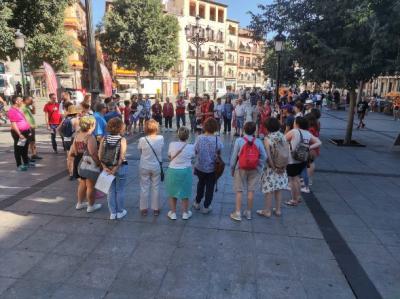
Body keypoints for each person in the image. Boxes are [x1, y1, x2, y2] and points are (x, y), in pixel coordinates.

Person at [230, 122, 267, 221]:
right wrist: (257, 163)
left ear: (244, 130)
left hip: (241, 168)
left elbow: (234, 156)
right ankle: (249, 212)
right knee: (251, 191)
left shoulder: (239, 140)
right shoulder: (258, 141)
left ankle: (238, 213)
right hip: (254, 169)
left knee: (239, 190)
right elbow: (264, 156)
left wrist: (232, 168)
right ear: (254, 130)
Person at [285, 117, 322, 206]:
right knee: (297, 178)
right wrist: (308, 147)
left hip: (292, 159)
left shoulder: (294, 131)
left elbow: (283, 140)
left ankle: (294, 200)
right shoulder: (308, 133)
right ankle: (298, 197)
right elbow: (319, 142)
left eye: (294, 122)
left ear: (297, 123)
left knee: (293, 179)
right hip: (303, 158)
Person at [69, 116, 102, 213]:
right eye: (94, 124)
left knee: (82, 183)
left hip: (78, 160)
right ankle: (91, 206)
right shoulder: (90, 137)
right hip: (88, 162)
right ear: (91, 125)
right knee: (91, 185)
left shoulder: (77, 135)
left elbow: (74, 151)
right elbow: (92, 153)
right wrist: (98, 163)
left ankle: (79, 203)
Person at [258, 118, 289, 217]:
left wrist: (273, 167)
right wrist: (283, 166)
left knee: (269, 190)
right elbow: (286, 152)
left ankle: (267, 211)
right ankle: (278, 210)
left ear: (267, 128)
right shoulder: (282, 135)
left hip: (271, 169)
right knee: (278, 189)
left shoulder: (268, 138)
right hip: (282, 167)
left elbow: (268, 156)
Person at [99, 117, 128, 220]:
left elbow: (100, 155)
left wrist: (104, 167)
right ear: (120, 128)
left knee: (111, 191)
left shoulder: (104, 138)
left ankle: (113, 213)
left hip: (107, 167)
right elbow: (122, 156)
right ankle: (120, 211)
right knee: (120, 190)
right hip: (120, 167)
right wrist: (115, 168)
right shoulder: (122, 139)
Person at [193, 118, 223, 214]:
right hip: (212, 168)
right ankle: (206, 206)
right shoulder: (217, 139)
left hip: (200, 166)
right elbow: (220, 150)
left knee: (200, 184)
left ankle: (197, 202)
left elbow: (195, 150)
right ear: (215, 128)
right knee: (210, 187)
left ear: (205, 127)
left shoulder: (199, 138)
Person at [166, 127, 195, 220]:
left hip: (173, 170)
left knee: (172, 192)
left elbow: (169, 156)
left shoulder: (172, 144)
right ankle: (185, 213)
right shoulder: (191, 146)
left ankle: (173, 213)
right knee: (185, 193)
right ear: (188, 136)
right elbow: (193, 157)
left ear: (178, 135)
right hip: (186, 171)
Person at [138, 119, 164, 216]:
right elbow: (161, 149)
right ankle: (155, 209)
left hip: (144, 165)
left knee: (144, 187)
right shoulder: (161, 138)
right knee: (156, 187)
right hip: (156, 165)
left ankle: (144, 208)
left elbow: (140, 152)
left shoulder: (142, 139)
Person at [7, 95, 32, 171]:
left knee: (25, 148)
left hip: (25, 131)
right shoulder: (12, 111)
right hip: (19, 132)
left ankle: (26, 162)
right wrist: (19, 134)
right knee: (18, 149)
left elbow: (24, 119)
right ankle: (19, 165)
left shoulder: (19, 109)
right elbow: (14, 124)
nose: (22, 102)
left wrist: (29, 129)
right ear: (16, 101)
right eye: (21, 100)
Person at [59, 104, 81, 180]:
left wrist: (64, 136)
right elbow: (78, 131)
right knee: (74, 157)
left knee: (69, 158)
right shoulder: (75, 120)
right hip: (73, 139)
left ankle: (70, 174)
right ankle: (75, 173)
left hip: (66, 140)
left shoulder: (65, 119)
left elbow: (58, 129)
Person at [22, 96, 42, 161]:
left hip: (32, 126)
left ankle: (34, 154)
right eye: (30, 100)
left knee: (33, 141)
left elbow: (33, 112)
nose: (32, 102)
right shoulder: (22, 107)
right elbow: (23, 118)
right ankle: (26, 156)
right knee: (27, 142)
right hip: (27, 127)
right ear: (26, 100)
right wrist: (28, 125)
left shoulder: (27, 106)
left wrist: (33, 106)